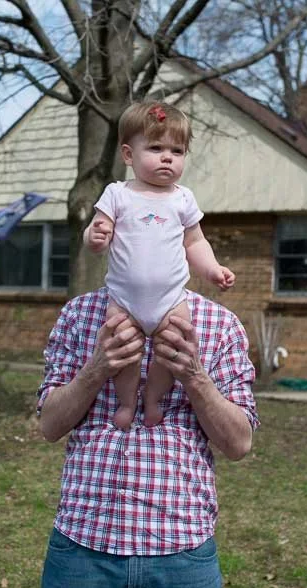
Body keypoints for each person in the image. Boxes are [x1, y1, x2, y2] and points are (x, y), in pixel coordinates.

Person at [36, 286, 259, 588]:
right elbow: (49, 425)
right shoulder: (79, 316)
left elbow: (239, 443)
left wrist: (194, 375)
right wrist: (96, 368)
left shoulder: (220, 323)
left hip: (181, 550)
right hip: (83, 544)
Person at [83, 101, 236, 430]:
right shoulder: (117, 194)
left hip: (171, 299)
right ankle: (127, 403)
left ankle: (152, 401)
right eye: (155, 148)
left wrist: (211, 270)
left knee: (172, 351)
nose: (167, 156)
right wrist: (95, 236)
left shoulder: (182, 198)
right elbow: (97, 228)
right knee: (124, 353)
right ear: (128, 155)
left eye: (177, 151)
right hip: (124, 299)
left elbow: (195, 242)